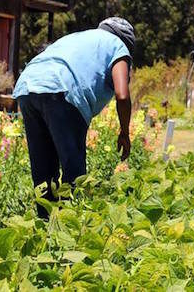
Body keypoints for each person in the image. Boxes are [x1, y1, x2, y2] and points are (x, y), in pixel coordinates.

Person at [12, 17, 135, 219]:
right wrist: (124, 132)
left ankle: (44, 232)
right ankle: (72, 232)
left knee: (43, 175)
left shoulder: (79, 37)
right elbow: (123, 94)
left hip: (28, 85)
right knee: (75, 176)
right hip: (63, 90)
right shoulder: (118, 46)